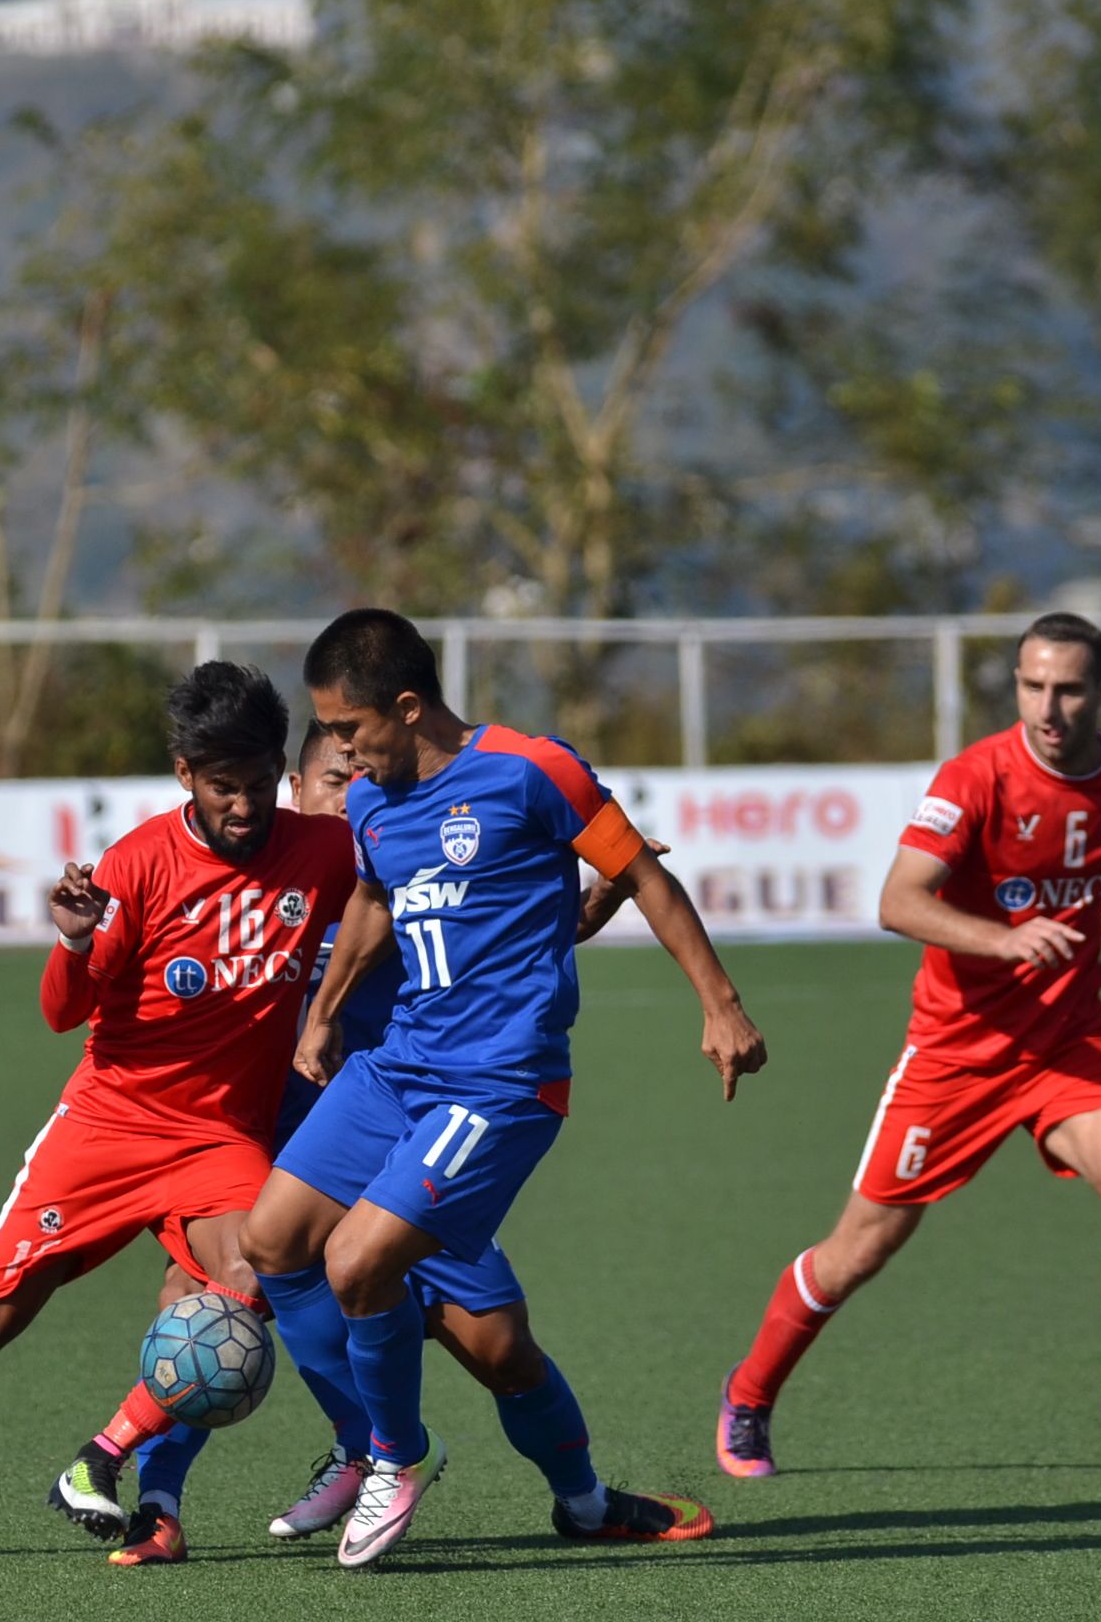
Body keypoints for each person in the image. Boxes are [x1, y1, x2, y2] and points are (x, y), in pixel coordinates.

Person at [0, 662, 357, 1561]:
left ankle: (100, 1455)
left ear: (283, 767)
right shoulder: (139, 865)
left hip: (216, 1141)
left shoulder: (318, 852)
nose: (244, 807)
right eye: (223, 788)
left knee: (259, 1272)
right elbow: (60, 1012)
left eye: (258, 784)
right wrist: (76, 938)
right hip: (108, 1128)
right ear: (184, 775)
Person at [240, 607, 767, 1568]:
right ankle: (423, 1456)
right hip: (397, 1069)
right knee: (272, 1239)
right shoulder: (370, 804)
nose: (344, 756)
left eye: (352, 732)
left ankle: (409, 1461)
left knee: (368, 1268)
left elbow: (641, 873)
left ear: (407, 708)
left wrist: (721, 1005)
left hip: (498, 1087)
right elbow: (371, 900)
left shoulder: (532, 769)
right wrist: (324, 1013)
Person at [107, 722, 664, 1566]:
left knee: (502, 1347)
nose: (357, 788)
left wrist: (605, 895)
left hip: (416, 1136)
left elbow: (515, 947)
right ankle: (165, 1502)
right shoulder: (262, 889)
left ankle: (585, 1501)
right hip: (296, 1156)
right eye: (338, 778)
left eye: (363, 771)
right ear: (296, 793)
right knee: (205, 1304)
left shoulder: (407, 867)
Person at [715, 613, 1101, 1476]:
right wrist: (1003, 940)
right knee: (860, 1249)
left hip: (1067, 1042)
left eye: (1070, 687)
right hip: (955, 1055)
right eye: (1033, 684)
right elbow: (897, 901)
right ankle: (748, 1395)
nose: (1049, 704)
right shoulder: (978, 778)